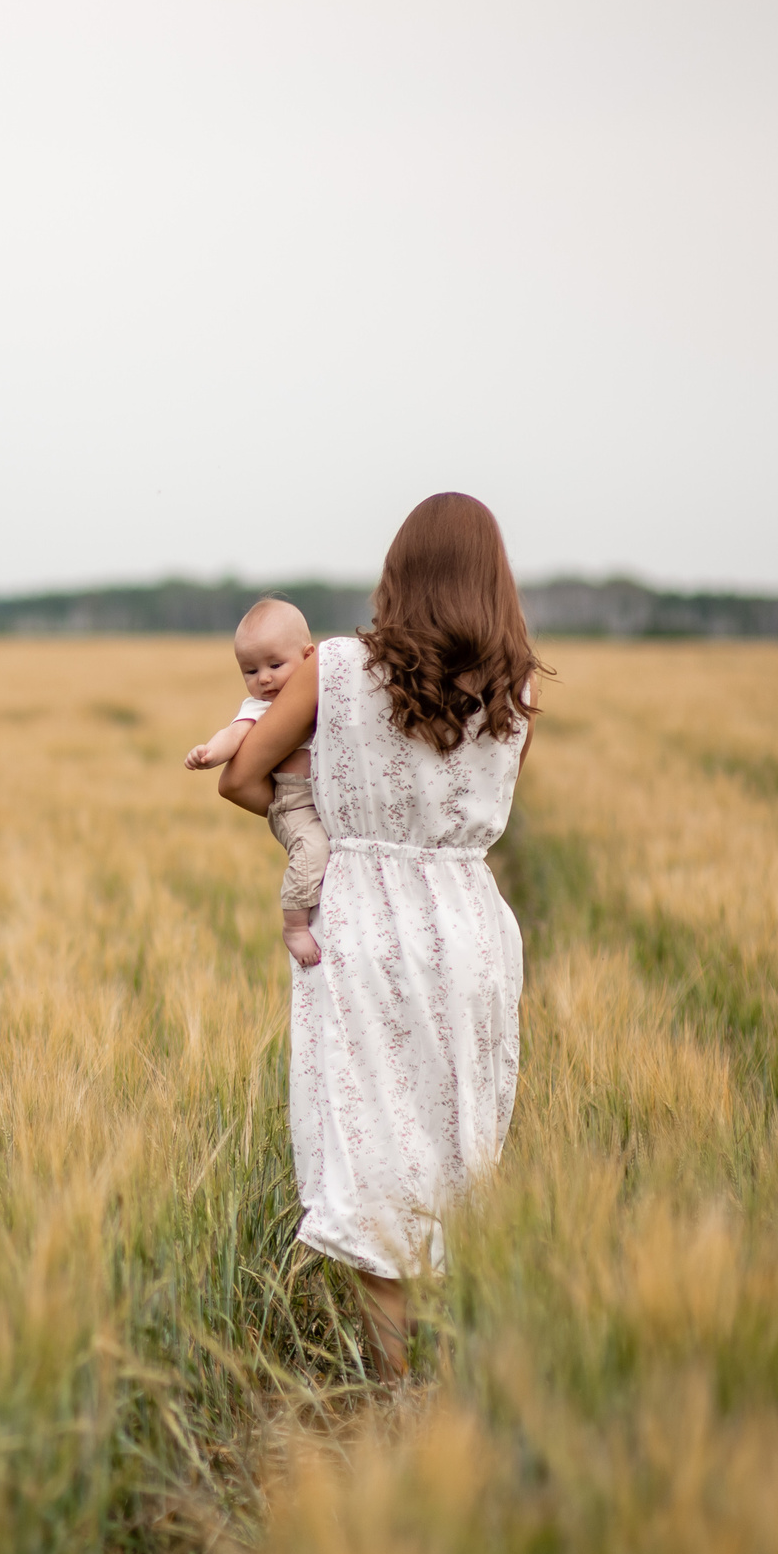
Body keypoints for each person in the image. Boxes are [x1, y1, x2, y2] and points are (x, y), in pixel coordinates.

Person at [217, 494, 544, 1378]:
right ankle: (466, 1366)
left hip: (361, 923)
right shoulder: (516, 688)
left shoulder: (333, 668)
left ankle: (395, 1382)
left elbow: (242, 776)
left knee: (376, 1156)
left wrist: (315, 829)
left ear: (396, 573)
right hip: (468, 928)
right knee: (457, 1148)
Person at [185, 598, 327, 967]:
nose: (263, 679)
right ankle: (294, 925)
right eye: (250, 671)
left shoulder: (325, 696)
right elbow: (233, 735)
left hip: (329, 797)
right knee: (312, 852)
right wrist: (208, 754)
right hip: (293, 802)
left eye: (274, 665)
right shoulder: (260, 708)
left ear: (309, 657)